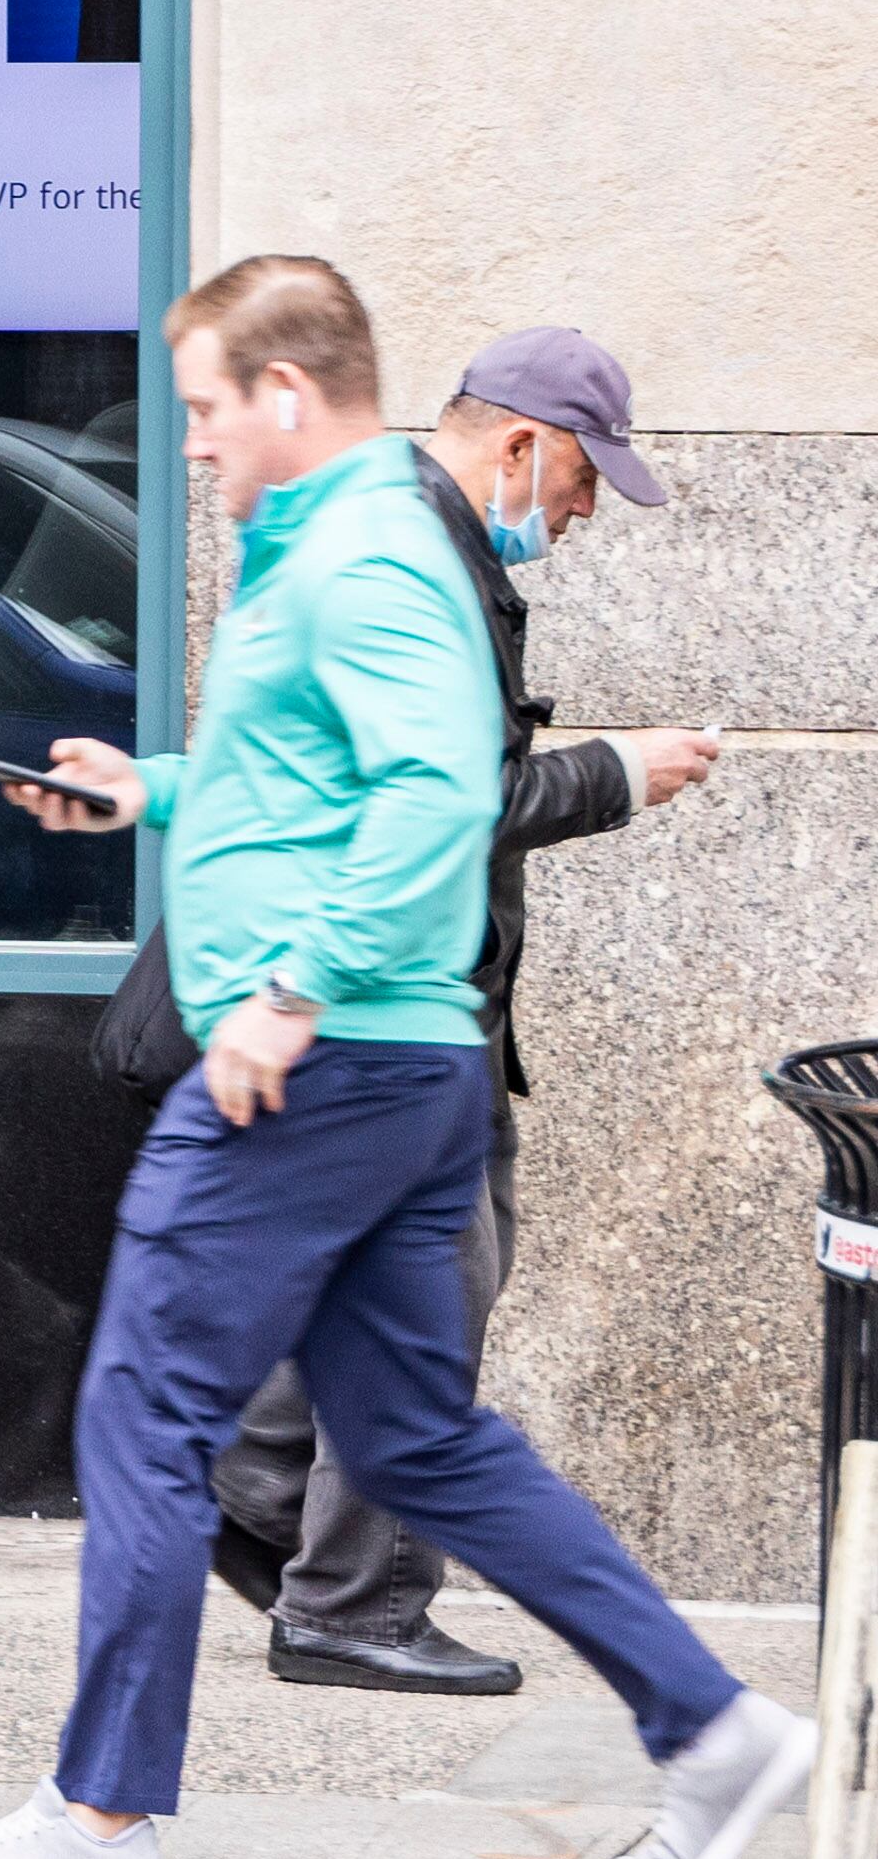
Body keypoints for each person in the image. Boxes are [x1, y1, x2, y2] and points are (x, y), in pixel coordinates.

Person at [0, 259, 801, 1859]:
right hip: (406, 1062)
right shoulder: (341, 535)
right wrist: (147, 793)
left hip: (324, 1061)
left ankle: (95, 1827)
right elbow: (299, 780)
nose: (198, 439)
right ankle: (721, 1729)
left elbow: (439, 791)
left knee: (145, 1412)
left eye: (210, 407)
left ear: (289, 394)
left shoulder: (368, 547)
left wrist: (288, 993)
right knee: (419, 1440)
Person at [203, 326, 723, 1696]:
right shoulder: (412, 560)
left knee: (381, 1275)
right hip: (385, 999)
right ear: (516, 444)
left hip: (399, 998)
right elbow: (437, 804)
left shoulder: (409, 538)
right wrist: (615, 774)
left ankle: (245, 1484)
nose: (583, 508)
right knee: (436, 1290)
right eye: (579, 477)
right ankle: (349, 1600)